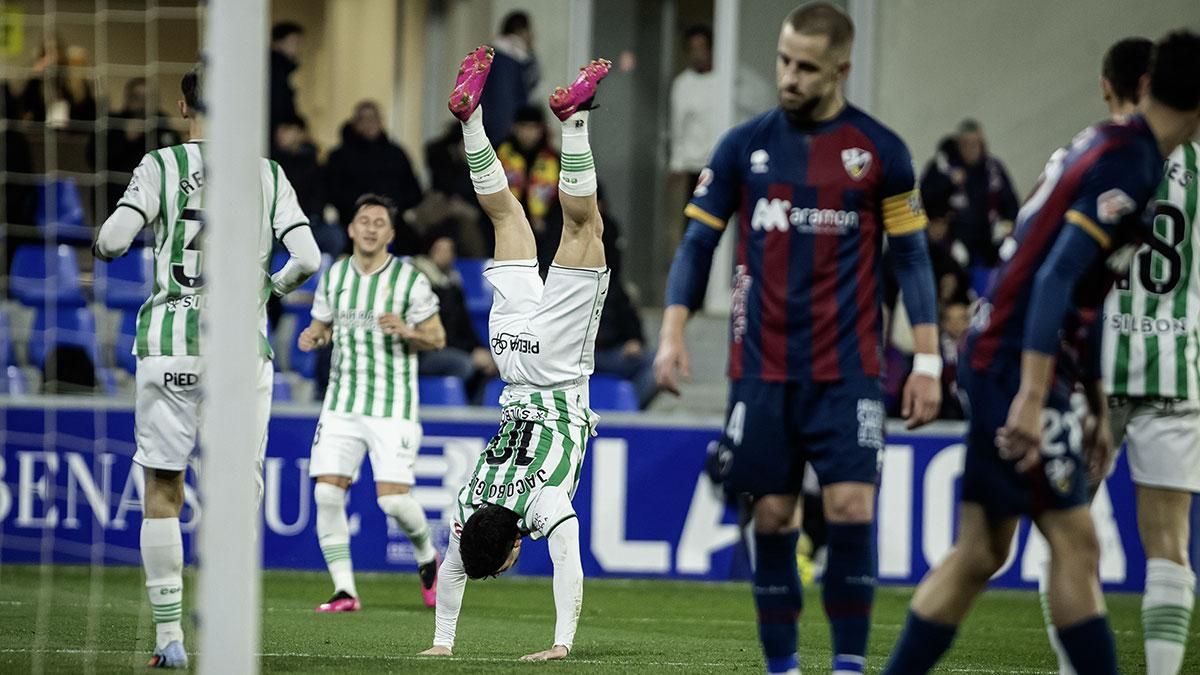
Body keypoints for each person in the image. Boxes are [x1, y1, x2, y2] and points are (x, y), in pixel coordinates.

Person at [883, 30, 1200, 675]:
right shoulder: (1132, 164)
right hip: (1013, 364)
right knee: (1074, 542)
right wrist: (1034, 396)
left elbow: (1078, 290)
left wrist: (1091, 396)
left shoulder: (1111, 145)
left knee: (981, 552)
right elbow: (1056, 278)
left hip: (1006, 352)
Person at [654, 4, 941, 674]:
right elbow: (697, 244)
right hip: (762, 367)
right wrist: (672, 334)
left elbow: (913, 260)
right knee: (775, 516)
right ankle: (782, 666)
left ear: (840, 68)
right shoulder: (741, 146)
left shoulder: (881, 152)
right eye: (784, 60)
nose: (788, 76)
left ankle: (847, 664)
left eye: (805, 67)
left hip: (849, 368)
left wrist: (927, 358)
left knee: (849, 505)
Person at [92, 65, 321, 669]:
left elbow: (113, 243)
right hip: (241, 351)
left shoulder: (159, 165)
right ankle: (224, 619)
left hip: (169, 347)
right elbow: (308, 257)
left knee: (163, 489)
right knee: (234, 498)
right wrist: (262, 290)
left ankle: (169, 638)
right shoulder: (267, 174)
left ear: (181, 105)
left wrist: (109, 238)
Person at [420, 47, 611, 662]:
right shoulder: (470, 501)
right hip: (511, 352)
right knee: (507, 214)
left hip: (554, 370)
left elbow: (568, 563)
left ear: (508, 549)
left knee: (583, 231)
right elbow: (452, 569)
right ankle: (471, 123)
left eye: (502, 565)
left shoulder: (541, 504)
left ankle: (575, 121)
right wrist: (440, 647)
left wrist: (561, 643)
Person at [1034, 36, 1199, 675]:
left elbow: (1052, 264)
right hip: (1175, 367)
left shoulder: (1087, 156)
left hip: (1090, 373)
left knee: (1067, 539)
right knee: (1169, 547)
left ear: (1109, 86)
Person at [296, 193, 446, 612]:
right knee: (327, 494)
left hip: (392, 407)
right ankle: (345, 590)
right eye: (364, 220)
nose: (370, 228)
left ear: (391, 234)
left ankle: (427, 556)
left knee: (392, 501)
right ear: (351, 228)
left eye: (379, 222)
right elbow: (323, 325)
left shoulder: (409, 281)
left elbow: (438, 337)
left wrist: (407, 330)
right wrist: (314, 336)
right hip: (341, 403)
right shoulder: (336, 275)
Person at [325, 100, 423, 254]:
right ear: (355, 123)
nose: (370, 124)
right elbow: (333, 192)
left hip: (394, 220)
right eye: (364, 119)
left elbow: (414, 191)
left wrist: (392, 208)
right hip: (352, 219)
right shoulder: (339, 157)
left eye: (374, 118)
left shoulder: (396, 154)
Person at [919, 119, 1019, 267]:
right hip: (952, 237)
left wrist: (1008, 225)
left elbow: (1011, 203)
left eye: (976, 144)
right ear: (958, 145)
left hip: (989, 237)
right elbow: (924, 199)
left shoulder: (994, 170)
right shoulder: (942, 168)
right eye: (966, 144)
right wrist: (949, 183)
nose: (971, 149)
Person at [413, 236, 498, 400]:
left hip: (454, 347)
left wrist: (479, 349)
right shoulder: (421, 283)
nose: (444, 254)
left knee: (492, 364)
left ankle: (475, 414)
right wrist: (471, 352)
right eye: (439, 249)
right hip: (427, 351)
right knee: (465, 365)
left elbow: (465, 326)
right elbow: (438, 331)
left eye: (449, 250)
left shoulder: (454, 284)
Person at [89, 77, 182, 217]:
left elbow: (175, 163)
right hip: (114, 196)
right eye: (137, 97)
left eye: (147, 97)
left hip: (154, 197)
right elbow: (93, 159)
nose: (142, 102)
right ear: (128, 97)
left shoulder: (162, 125)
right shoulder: (111, 122)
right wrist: (124, 139)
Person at [480, 12, 540, 143]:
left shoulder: (507, 58)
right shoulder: (505, 60)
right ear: (521, 30)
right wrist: (506, 137)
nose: (532, 36)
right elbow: (503, 101)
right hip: (502, 133)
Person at [269, 21, 304, 135]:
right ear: (278, 43)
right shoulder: (275, 70)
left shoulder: (281, 70)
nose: (298, 48)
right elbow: (279, 106)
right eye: (294, 42)